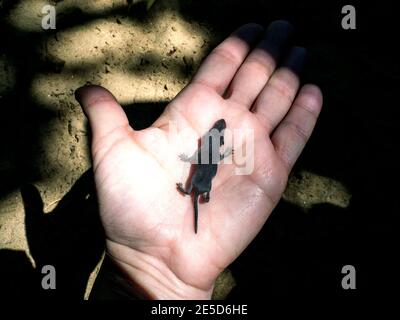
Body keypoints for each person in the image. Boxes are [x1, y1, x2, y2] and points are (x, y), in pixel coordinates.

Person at [74, 21, 323, 299]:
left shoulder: (209, 143)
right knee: (199, 184)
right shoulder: (211, 146)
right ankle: (194, 194)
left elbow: (208, 153)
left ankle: (192, 193)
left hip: (202, 177)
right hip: (203, 178)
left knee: (198, 183)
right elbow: (212, 153)